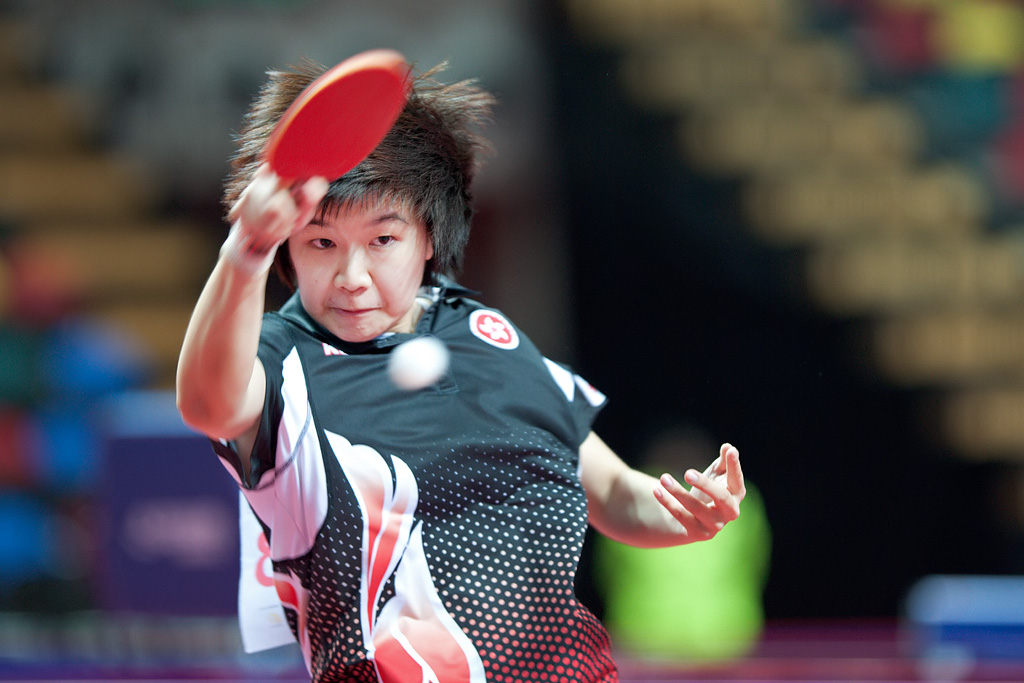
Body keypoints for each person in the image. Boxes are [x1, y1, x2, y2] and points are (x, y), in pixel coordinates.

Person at [176, 58, 746, 683]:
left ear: (428, 237)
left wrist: (683, 514)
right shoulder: (282, 361)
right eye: (321, 242)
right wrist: (245, 251)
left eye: (383, 240)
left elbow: (612, 493)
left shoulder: (485, 334)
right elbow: (209, 405)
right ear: (287, 244)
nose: (352, 276)